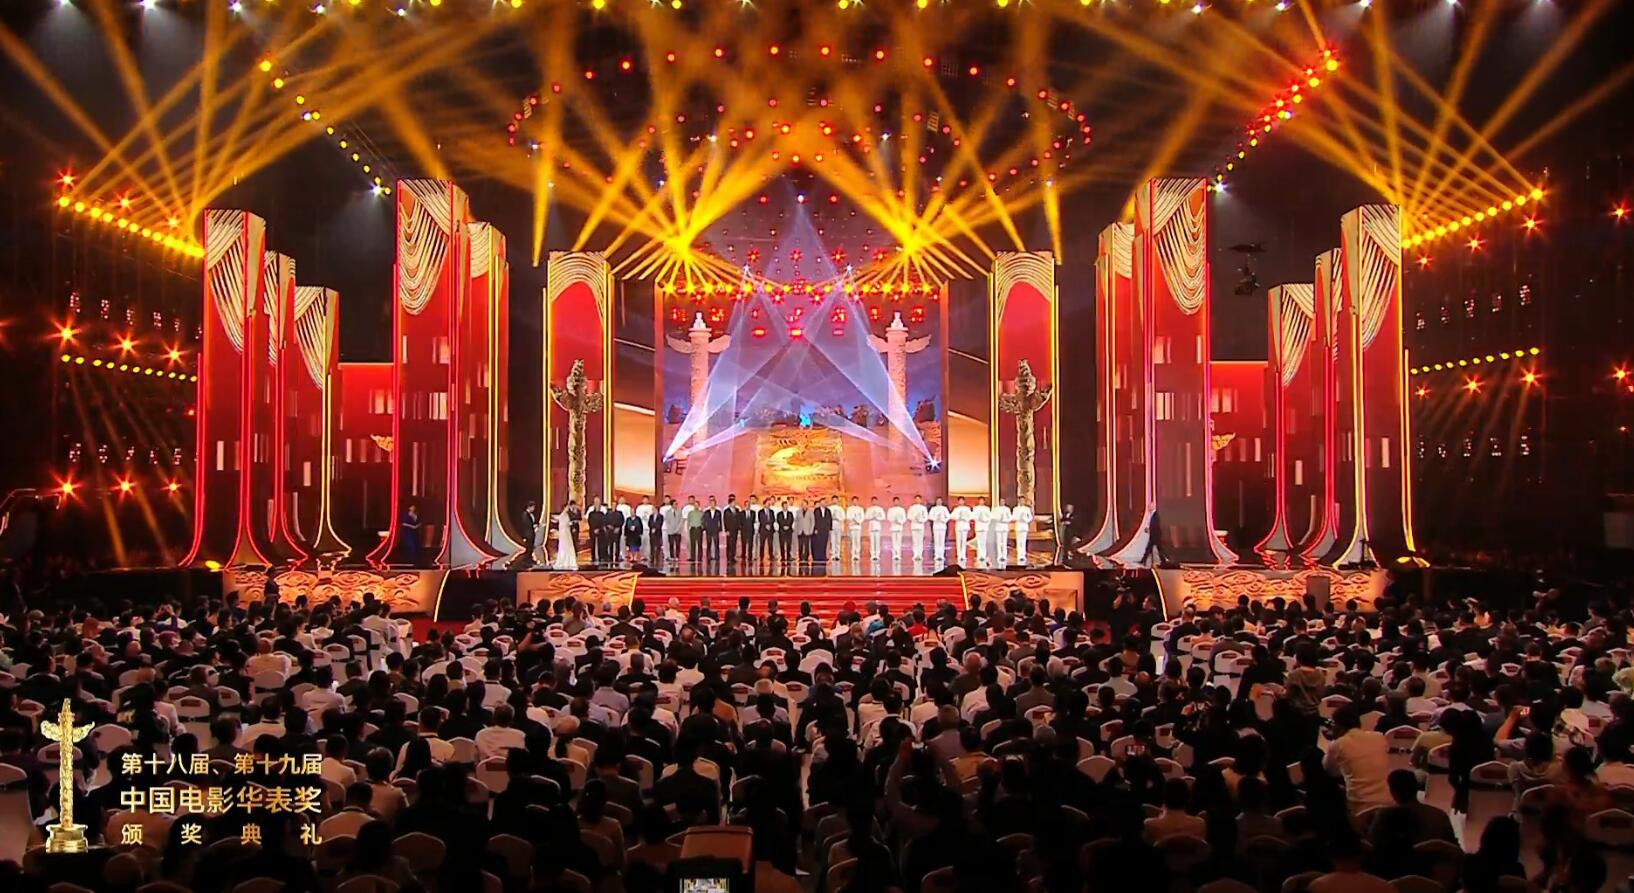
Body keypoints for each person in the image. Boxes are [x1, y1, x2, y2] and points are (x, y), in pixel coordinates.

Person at [1322, 704, 1391, 814]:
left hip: (1360, 808)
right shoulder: (1379, 737)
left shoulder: (1338, 744)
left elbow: (1329, 771)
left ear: (1339, 725)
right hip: (1388, 803)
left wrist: (1334, 741)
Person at [553, 502, 579, 570]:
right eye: (567, 507)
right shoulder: (562, 515)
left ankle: (569, 561)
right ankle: (564, 561)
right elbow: (559, 521)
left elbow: (567, 523)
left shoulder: (567, 515)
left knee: (569, 546)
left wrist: (571, 523)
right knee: (564, 546)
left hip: (567, 533)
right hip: (564, 533)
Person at [971, 497, 993, 568]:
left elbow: (989, 518)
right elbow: (973, 516)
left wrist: (984, 519)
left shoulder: (987, 509)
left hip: (984, 527)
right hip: (978, 526)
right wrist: (978, 518)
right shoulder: (976, 508)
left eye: (982, 501)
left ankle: (983, 555)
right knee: (979, 542)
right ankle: (979, 555)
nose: (981, 502)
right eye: (980, 501)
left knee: (984, 542)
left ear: (984, 501)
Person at [723, 494, 744, 565]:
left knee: (734, 543)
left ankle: (733, 557)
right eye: (733, 503)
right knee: (729, 544)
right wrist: (726, 530)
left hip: (735, 529)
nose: (734, 504)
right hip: (729, 530)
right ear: (730, 503)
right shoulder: (726, 511)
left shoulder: (737, 510)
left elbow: (739, 519)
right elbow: (725, 521)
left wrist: (739, 528)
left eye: (735, 503)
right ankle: (729, 557)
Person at [399, 503, 422, 567]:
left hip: (415, 532)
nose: (413, 508)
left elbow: (420, 522)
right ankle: (409, 560)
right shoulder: (406, 514)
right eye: (411, 506)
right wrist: (412, 526)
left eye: (414, 507)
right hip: (408, 532)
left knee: (416, 545)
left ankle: (415, 560)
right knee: (410, 545)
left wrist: (417, 526)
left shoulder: (417, 514)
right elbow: (403, 523)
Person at [1012, 497, 1033, 566]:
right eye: (1021, 500)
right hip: (1018, 526)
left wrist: (1026, 519)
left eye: (1023, 500)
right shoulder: (1015, 509)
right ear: (1018, 501)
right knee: (1019, 542)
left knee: (1023, 542)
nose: (1022, 501)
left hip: (1024, 526)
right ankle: (1019, 555)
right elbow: (1013, 517)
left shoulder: (1027, 509)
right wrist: (1019, 517)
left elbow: (1030, 518)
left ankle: (1023, 556)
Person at [951, 496, 972, 565]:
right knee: (958, 541)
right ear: (958, 502)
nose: (961, 502)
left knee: (964, 541)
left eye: (962, 500)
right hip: (958, 526)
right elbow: (952, 516)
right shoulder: (956, 509)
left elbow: (971, 516)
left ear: (964, 501)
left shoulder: (967, 509)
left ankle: (963, 555)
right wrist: (958, 517)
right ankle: (959, 555)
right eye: (960, 501)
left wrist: (965, 518)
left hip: (965, 526)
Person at [811, 497, 832, 564]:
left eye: (825, 502)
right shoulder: (816, 510)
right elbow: (815, 520)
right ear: (820, 503)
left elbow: (830, 520)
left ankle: (823, 556)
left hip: (825, 530)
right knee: (818, 543)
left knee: (824, 543)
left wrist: (830, 528)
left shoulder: (828, 510)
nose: (824, 503)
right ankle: (817, 557)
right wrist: (815, 528)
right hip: (818, 529)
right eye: (822, 502)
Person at [928, 497, 949, 564]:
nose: (939, 502)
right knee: (936, 541)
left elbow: (948, 517)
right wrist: (936, 518)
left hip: (942, 526)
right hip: (936, 526)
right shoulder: (933, 508)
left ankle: (941, 555)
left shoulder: (944, 508)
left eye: (940, 500)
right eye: (938, 500)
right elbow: (930, 516)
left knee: (942, 541)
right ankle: (937, 555)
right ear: (936, 501)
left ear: (941, 501)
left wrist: (943, 520)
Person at [907, 495, 928, 563]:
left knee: (920, 541)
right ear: (915, 500)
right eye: (916, 499)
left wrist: (920, 520)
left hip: (921, 526)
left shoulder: (923, 508)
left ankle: (920, 555)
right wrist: (914, 518)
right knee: (915, 541)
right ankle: (915, 554)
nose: (917, 500)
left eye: (919, 499)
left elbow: (926, 517)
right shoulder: (912, 507)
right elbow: (909, 516)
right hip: (914, 526)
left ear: (920, 500)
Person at [663, 496, 684, 562]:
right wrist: (671, 529)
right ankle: (672, 556)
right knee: (671, 544)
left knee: (677, 544)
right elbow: (667, 521)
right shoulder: (668, 512)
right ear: (672, 505)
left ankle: (677, 556)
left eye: (676, 504)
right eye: (675, 504)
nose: (676, 505)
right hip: (670, 531)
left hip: (678, 531)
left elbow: (681, 521)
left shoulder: (680, 511)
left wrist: (677, 529)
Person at [886, 497, 907, 561]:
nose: (896, 502)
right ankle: (894, 555)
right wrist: (894, 520)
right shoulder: (890, 509)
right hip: (893, 527)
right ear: (893, 502)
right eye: (895, 501)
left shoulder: (902, 509)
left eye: (897, 501)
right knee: (894, 542)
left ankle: (898, 554)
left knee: (899, 542)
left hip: (899, 527)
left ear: (899, 502)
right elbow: (888, 517)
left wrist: (899, 521)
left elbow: (904, 518)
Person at [702, 496, 723, 564]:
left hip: (715, 529)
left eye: (714, 503)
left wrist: (720, 528)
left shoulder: (718, 512)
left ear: (715, 504)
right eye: (711, 503)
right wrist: (704, 528)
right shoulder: (706, 512)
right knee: (709, 544)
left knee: (716, 544)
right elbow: (704, 521)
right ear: (710, 504)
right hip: (708, 529)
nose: (712, 505)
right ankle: (708, 556)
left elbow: (720, 521)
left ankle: (717, 556)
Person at [635, 496, 656, 561]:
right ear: (642, 500)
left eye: (646, 499)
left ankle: (648, 555)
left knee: (648, 543)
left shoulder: (651, 507)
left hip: (649, 528)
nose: (645, 501)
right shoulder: (639, 508)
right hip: (641, 528)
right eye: (644, 499)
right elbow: (637, 518)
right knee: (641, 542)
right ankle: (642, 555)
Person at [992, 500, 1012, 567]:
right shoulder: (996, 509)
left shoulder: (1007, 509)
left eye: (1003, 501)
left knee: (1004, 542)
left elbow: (1010, 518)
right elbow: (992, 517)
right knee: (998, 542)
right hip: (998, 527)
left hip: (1005, 527)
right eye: (1001, 501)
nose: (1002, 502)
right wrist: (998, 519)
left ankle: (1004, 556)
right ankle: (999, 556)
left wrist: (1005, 519)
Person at [744, 493, 763, 565]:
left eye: (753, 499)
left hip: (759, 525)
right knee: (752, 541)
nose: (752, 500)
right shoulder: (748, 507)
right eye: (751, 499)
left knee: (758, 542)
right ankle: (751, 554)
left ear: (756, 500)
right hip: (751, 526)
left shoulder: (759, 507)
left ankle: (757, 555)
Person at [846, 496, 866, 563]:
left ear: (857, 501)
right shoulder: (849, 509)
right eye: (854, 501)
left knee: (857, 541)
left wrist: (858, 521)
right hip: (852, 527)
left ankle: (857, 554)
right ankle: (853, 554)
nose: (855, 502)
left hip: (858, 527)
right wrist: (853, 520)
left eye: (856, 501)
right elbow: (848, 517)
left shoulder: (860, 509)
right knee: (852, 541)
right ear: (852, 501)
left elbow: (862, 517)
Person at [796, 499, 816, 565]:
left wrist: (811, 530)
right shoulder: (798, 512)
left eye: (805, 504)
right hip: (800, 531)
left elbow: (813, 522)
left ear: (807, 505)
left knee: (807, 545)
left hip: (807, 531)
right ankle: (800, 557)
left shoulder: (810, 512)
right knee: (800, 545)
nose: (804, 506)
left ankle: (806, 557)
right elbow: (796, 521)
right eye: (803, 504)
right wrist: (796, 530)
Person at [685, 495, 704, 565]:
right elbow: (688, 521)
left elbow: (703, 521)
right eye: (695, 505)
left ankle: (699, 557)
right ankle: (692, 557)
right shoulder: (690, 513)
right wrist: (688, 528)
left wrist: (702, 527)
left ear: (699, 506)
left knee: (699, 543)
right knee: (692, 543)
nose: (696, 506)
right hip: (692, 529)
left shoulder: (701, 513)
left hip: (699, 529)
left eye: (697, 505)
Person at [523, 500, 542, 567]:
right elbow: (527, 525)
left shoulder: (530, 515)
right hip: (528, 534)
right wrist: (534, 526)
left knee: (531, 548)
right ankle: (527, 561)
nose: (534, 509)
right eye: (533, 507)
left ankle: (530, 560)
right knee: (528, 548)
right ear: (529, 507)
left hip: (531, 533)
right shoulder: (525, 515)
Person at [776, 499, 796, 564]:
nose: (786, 507)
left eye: (786, 506)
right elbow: (779, 521)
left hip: (789, 531)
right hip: (782, 531)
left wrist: (788, 526)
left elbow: (791, 520)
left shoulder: (790, 513)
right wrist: (783, 526)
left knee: (789, 544)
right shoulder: (779, 514)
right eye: (784, 506)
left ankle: (788, 556)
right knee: (782, 544)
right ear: (782, 506)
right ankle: (782, 556)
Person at [757, 498, 777, 563]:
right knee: (762, 544)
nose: (769, 504)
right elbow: (761, 519)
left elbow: (773, 519)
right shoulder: (760, 512)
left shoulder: (771, 511)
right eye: (767, 503)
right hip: (763, 530)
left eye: (769, 503)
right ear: (764, 504)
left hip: (770, 530)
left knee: (770, 544)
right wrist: (766, 525)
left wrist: (769, 525)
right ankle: (761, 556)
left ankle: (771, 556)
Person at [826, 495, 844, 563]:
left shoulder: (840, 509)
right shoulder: (829, 508)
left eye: (836, 499)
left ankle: (837, 555)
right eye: (833, 499)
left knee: (838, 541)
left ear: (837, 500)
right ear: (832, 500)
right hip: (832, 525)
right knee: (832, 540)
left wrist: (838, 518)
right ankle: (833, 554)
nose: (835, 501)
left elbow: (843, 517)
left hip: (838, 524)